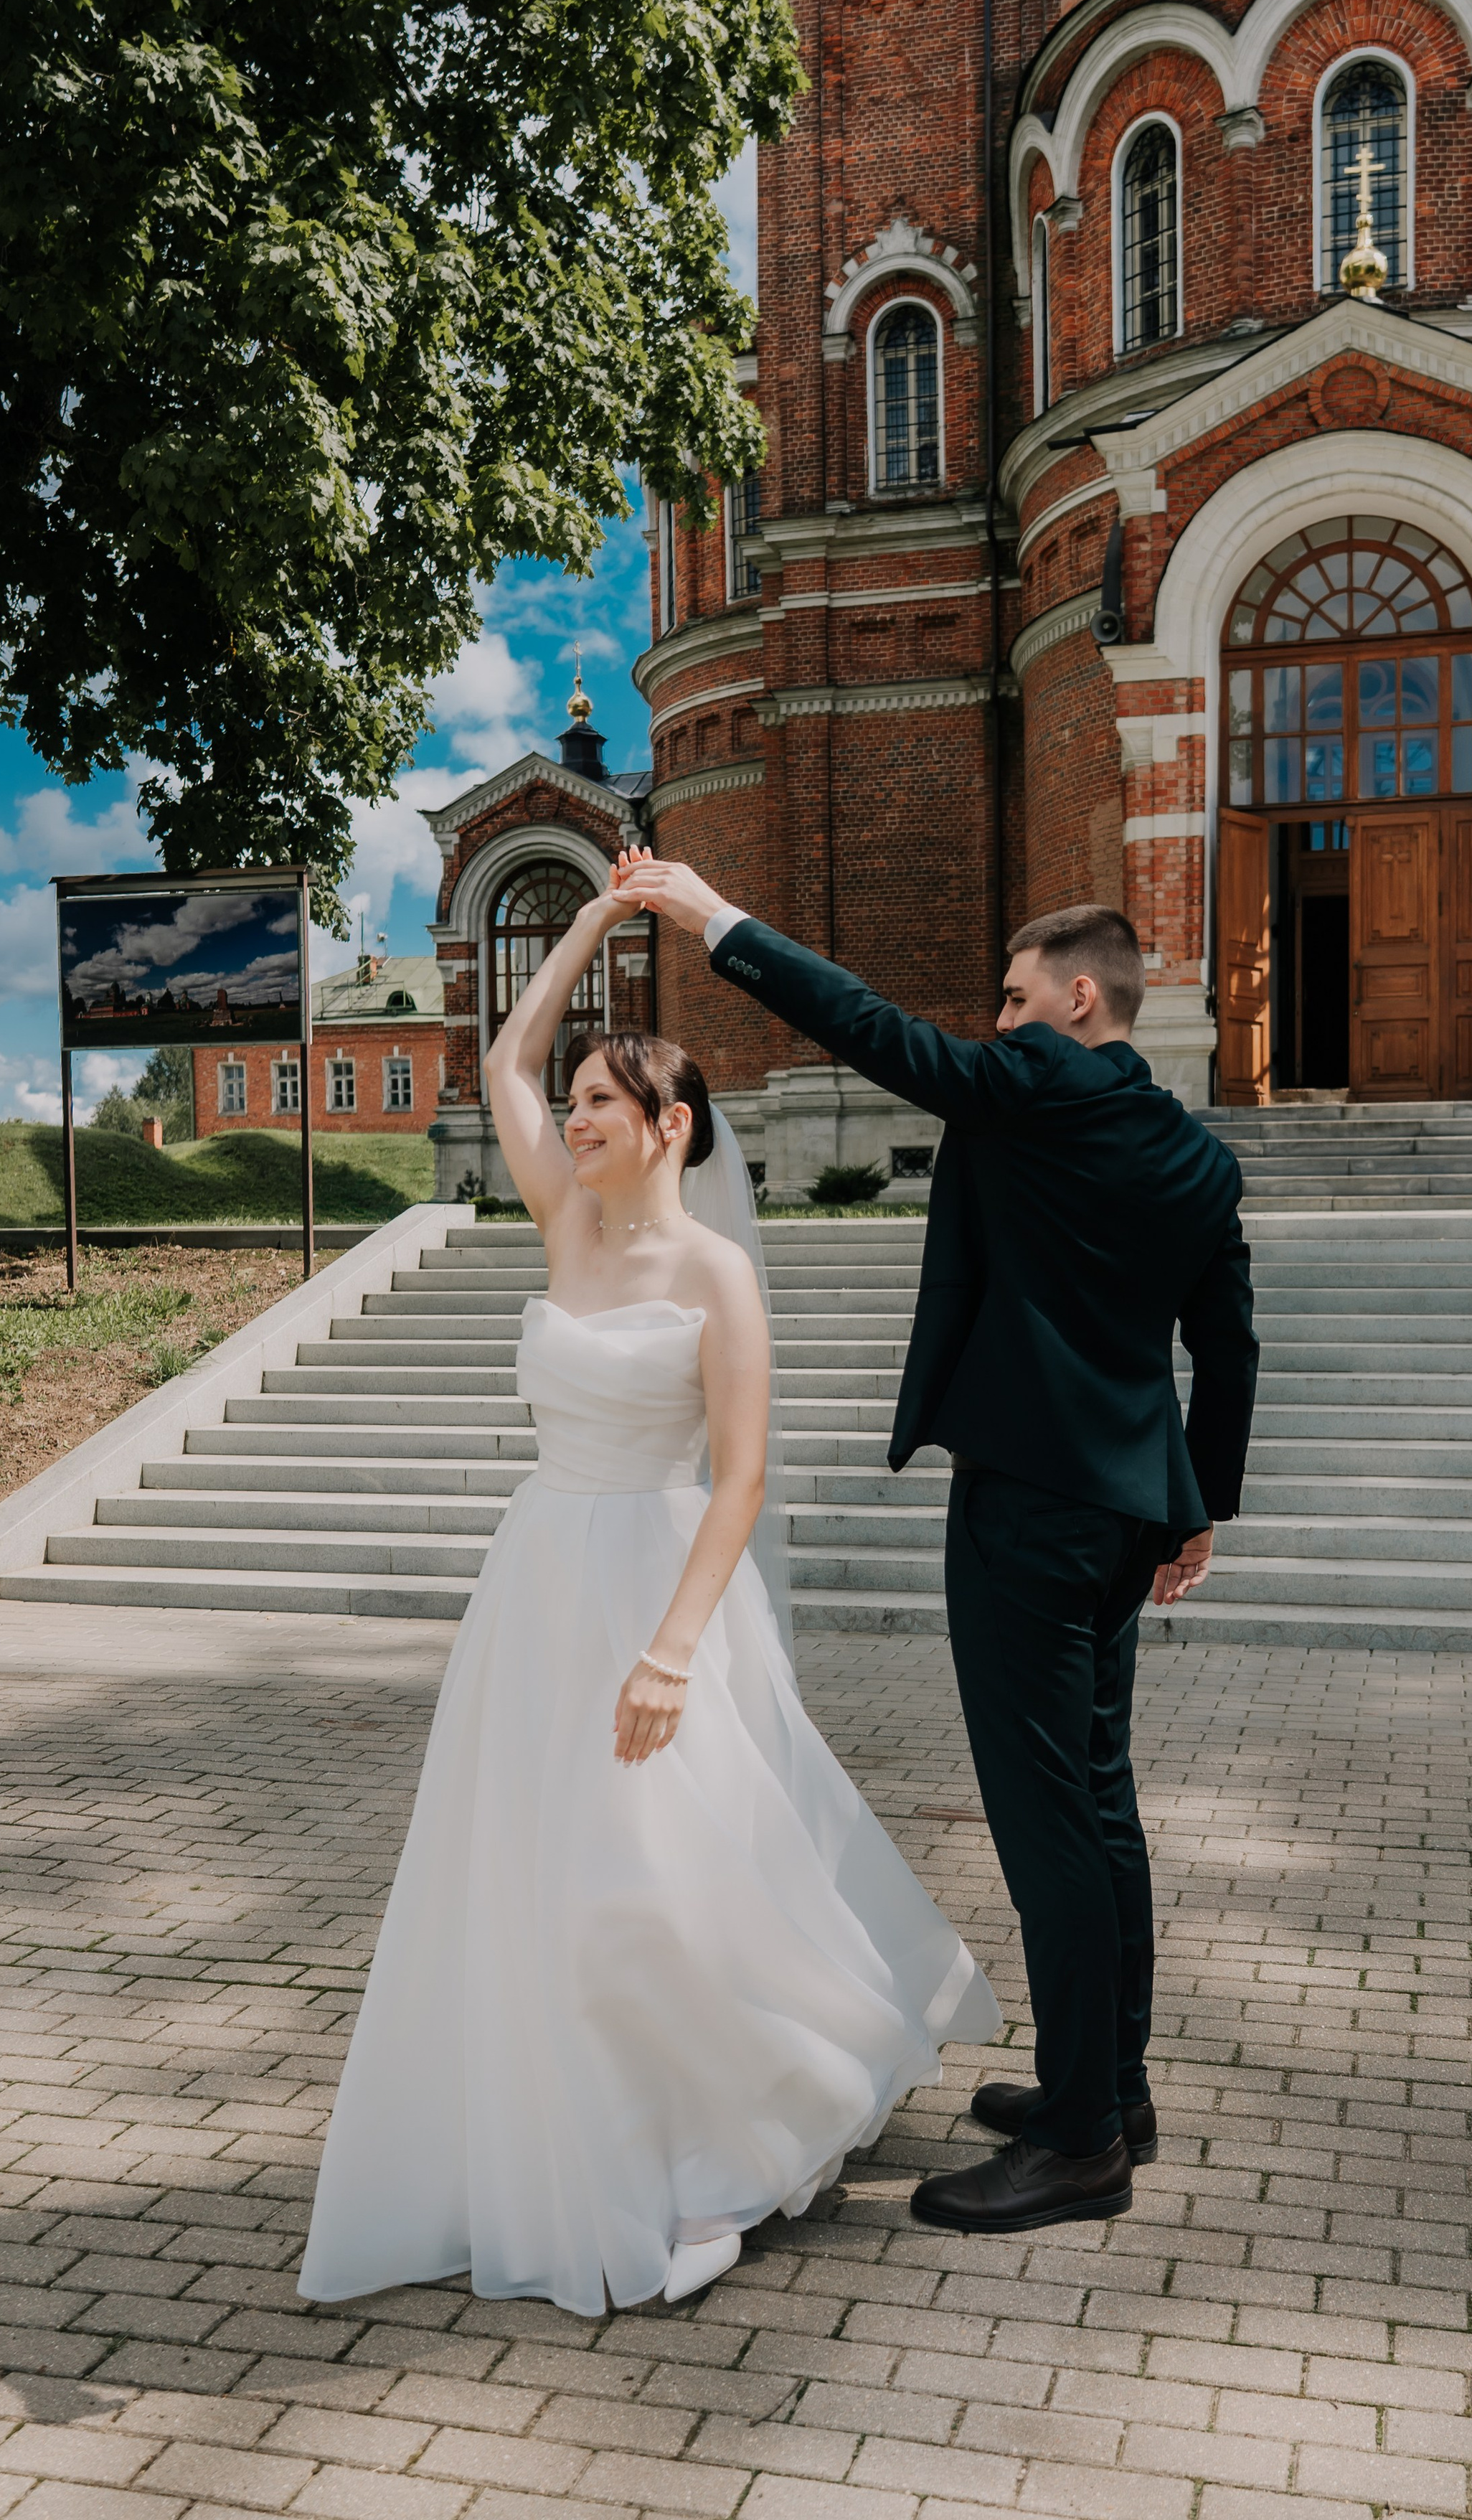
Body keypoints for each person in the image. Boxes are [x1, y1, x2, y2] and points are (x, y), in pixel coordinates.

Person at [296, 862, 998, 2318]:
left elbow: (737, 1478)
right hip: (539, 1581)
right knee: (537, 1874)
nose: (572, 1118)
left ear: (668, 1126)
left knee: (651, 1883)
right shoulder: (562, 1225)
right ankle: (580, 2133)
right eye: (576, 1106)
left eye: (600, 1103)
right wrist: (595, 926)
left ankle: (732, 2130)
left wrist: (672, 1652)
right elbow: (501, 1055)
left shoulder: (715, 1276)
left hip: (660, 1596)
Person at [615, 856, 1260, 2238]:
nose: (1004, 1020)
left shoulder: (1036, 1083)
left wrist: (714, 916)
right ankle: (1113, 2084)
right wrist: (1198, 1501)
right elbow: (1229, 1343)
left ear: (1081, 998)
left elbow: (873, 1030)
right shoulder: (1201, 1159)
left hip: (1027, 1509)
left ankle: (1086, 2143)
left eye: (1020, 998)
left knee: (1049, 1829)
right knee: (1100, 1800)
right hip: (1126, 1511)